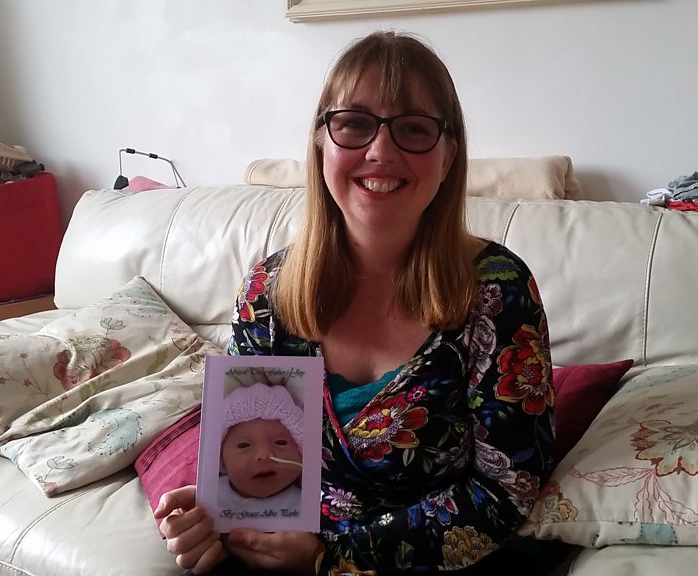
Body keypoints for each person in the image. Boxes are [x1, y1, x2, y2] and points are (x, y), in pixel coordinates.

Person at [154, 30, 556, 575]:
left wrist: (333, 560)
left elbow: (505, 490)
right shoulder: (266, 293)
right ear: (322, 142)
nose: (381, 152)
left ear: (448, 156)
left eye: (413, 128)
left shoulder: (498, 291)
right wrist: (218, 512)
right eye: (354, 123)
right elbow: (257, 461)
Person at [217, 382, 304, 518]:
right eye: (243, 445)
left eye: (281, 442)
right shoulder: (207, 495)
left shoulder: (307, 505)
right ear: (222, 459)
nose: (264, 454)